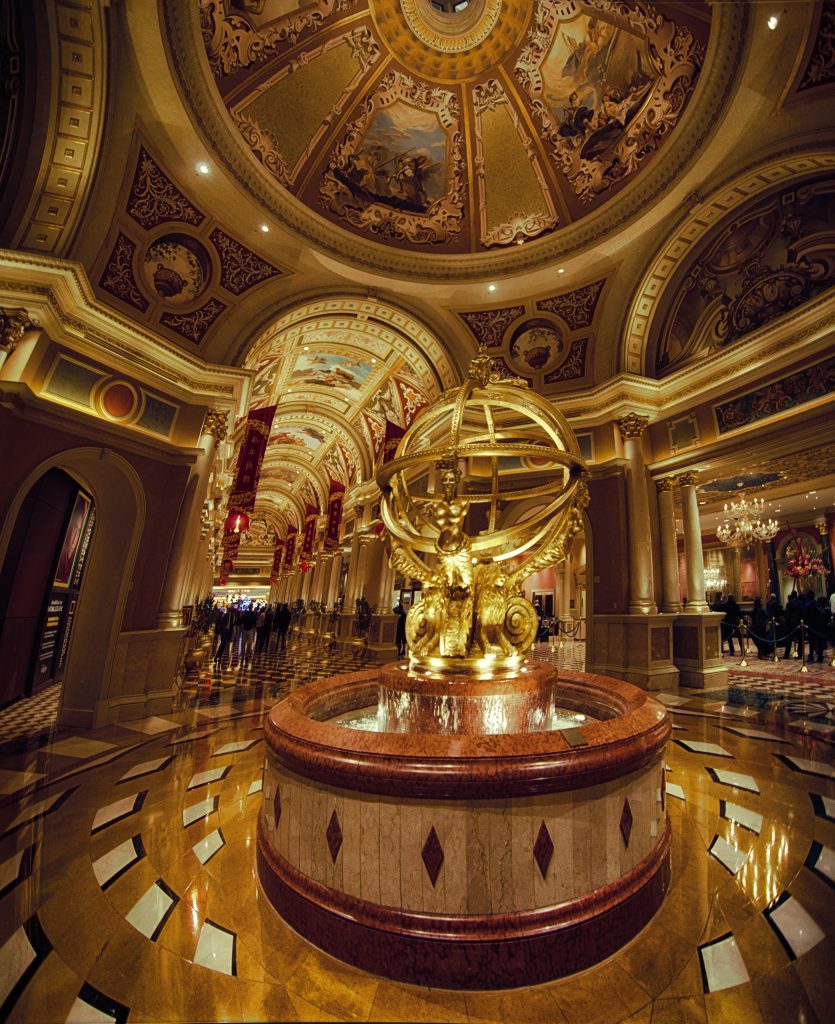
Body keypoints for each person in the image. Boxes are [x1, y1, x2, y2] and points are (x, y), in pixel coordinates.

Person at [783, 590, 803, 660]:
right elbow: (802, 613)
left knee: (789, 640)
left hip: (791, 624)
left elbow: (787, 614)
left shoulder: (789, 603)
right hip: (799, 623)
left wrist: (787, 623)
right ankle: (800, 654)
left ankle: (786, 654)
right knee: (800, 640)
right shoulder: (800, 603)